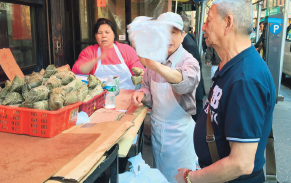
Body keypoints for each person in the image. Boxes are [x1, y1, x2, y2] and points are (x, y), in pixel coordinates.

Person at [175, 0, 276, 182]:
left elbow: (241, 163)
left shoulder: (246, 78)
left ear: (228, 23)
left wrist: (191, 178)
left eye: (208, 20)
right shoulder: (231, 65)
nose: (203, 26)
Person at [131, 12, 200, 183]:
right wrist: (142, 94)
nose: (168, 37)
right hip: (157, 130)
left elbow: (185, 83)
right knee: (160, 175)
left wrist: (155, 66)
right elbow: (147, 86)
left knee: (181, 178)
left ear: (183, 36)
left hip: (180, 135)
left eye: (174, 32)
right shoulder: (153, 59)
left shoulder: (188, 61)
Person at [72, 18, 145, 90]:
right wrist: (94, 61)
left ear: (114, 34)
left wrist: (142, 74)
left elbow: (138, 69)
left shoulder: (127, 50)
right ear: (95, 36)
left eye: (107, 32)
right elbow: (77, 71)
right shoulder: (89, 52)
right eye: (100, 33)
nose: (103, 36)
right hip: (99, 97)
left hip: (127, 95)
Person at [181, 14, 205, 121]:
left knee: (196, 120)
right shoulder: (187, 40)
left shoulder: (188, 44)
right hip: (194, 89)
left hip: (195, 90)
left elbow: (194, 70)